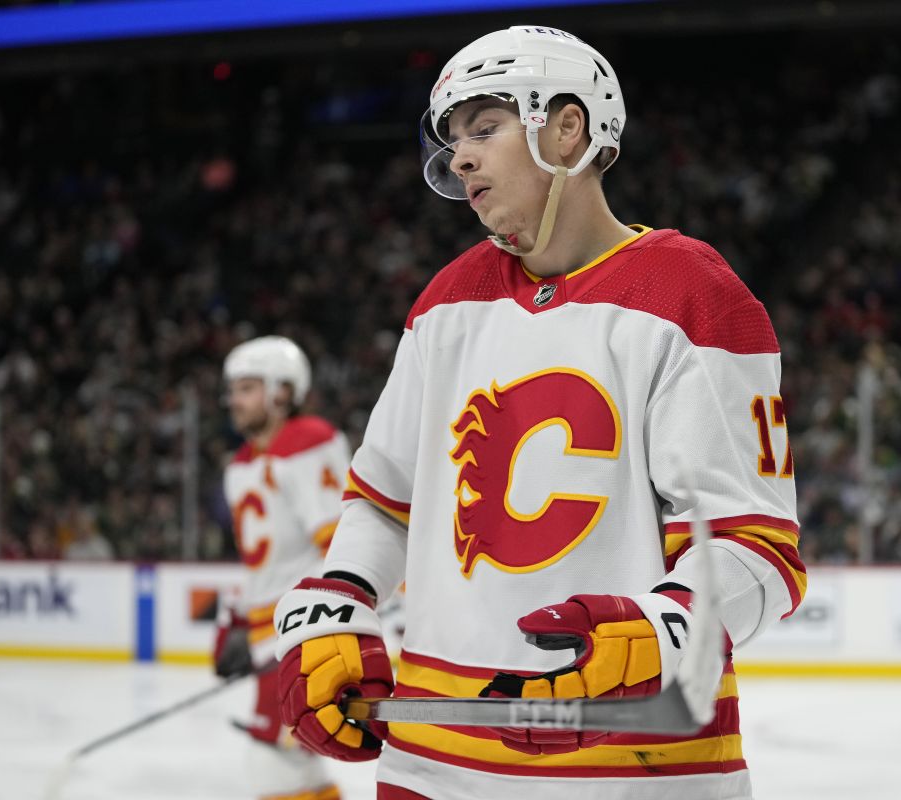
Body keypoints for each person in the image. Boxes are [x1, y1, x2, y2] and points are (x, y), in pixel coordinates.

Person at [271, 26, 806, 800]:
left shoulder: (693, 297)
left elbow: (759, 548)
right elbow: (385, 503)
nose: (460, 156)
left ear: (567, 127)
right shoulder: (446, 302)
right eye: (453, 138)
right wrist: (343, 600)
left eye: (484, 128)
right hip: (430, 764)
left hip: (633, 767)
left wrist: (664, 630)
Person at [216, 335, 351, 800]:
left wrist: (329, 626)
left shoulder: (305, 443)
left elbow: (343, 544)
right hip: (267, 633)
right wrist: (236, 618)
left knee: (272, 761)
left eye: (247, 387)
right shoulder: (239, 465)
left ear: (282, 392)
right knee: (294, 763)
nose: (234, 400)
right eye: (233, 389)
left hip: (302, 632)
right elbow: (264, 564)